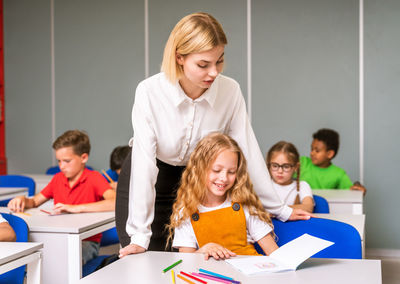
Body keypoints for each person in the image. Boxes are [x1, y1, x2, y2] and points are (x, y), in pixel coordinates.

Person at [118, 12, 311, 258]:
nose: (214, 72)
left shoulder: (230, 91)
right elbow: (144, 166)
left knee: (183, 264)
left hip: (193, 183)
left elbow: (247, 150)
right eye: (203, 64)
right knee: (145, 260)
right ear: (179, 57)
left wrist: (279, 209)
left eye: (219, 61)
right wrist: (138, 236)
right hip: (148, 179)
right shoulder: (149, 92)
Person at [8, 130, 116, 264]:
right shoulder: (58, 179)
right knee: (39, 259)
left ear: (84, 158)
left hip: (86, 241)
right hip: (58, 238)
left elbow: (115, 201)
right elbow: (35, 201)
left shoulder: (94, 178)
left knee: (63, 262)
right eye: (59, 161)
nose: (61, 166)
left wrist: (76, 208)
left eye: (67, 161)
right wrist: (23, 200)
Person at [168, 133, 278, 259]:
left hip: (250, 274)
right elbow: (186, 262)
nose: (224, 178)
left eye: (231, 172)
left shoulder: (245, 205)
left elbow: (274, 252)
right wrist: (204, 250)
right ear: (199, 168)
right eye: (216, 170)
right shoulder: (186, 212)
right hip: (214, 277)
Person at [300, 128, 367, 194]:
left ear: (329, 154)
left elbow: (351, 192)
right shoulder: (303, 162)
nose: (312, 153)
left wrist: (358, 189)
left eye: (317, 151)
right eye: (312, 149)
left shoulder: (339, 174)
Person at [267, 141, 314, 213]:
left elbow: (308, 207)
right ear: (269, 165)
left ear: (296, 167)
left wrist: (276, 210)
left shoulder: (303, 186)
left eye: (286, 166)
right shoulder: (264, 186)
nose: (280, 171)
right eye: (275, 166)